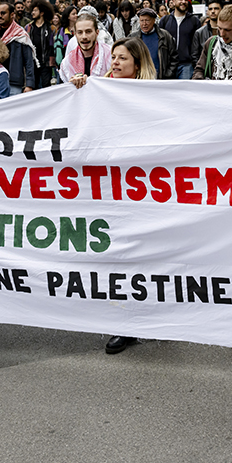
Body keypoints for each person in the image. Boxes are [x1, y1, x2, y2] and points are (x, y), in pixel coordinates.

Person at [72, 36, 155, 354]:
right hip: (109, 186)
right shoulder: (97, 90)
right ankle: (126, 320)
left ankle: (135, 320)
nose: (116, 62)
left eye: (123, 58)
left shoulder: (152, 95)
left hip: (142, 186)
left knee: (138, 253)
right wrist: (79, 87)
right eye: (114, 57)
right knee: (115, 252)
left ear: (137, 64)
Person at [193, 4, 232, 80]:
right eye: (219, 28)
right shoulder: (212, 43)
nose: (222, 34)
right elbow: (199, 70)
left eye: (227, 30)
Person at [0, 2, 36, 94]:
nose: (0, 16)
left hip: (13, 83)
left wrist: (29, 85)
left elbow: (28, 61)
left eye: (3, 13)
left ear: (12, 15)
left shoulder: (20, 34)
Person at [60, 10, 112, 86]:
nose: (84, 37)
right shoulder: (67, 62)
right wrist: (70, 84)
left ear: (97, 33)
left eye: (88, 31)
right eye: (80, 32)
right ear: (75, 35)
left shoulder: (110, 55)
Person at [159, 0, 201, 80]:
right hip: (168, 65)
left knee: (184, 92)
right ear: (174, 2)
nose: (183, 2)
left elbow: (197, 44)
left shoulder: (194, 21)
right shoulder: (165, 20)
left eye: (185, 0)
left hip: (187, 64)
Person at [129, 8, 175, 79]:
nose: (144, 24)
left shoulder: (165, 36)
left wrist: (168, 73)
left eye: (147, 20)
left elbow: (174, 57)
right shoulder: (133, 38)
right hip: (140, 78)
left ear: (154, 21)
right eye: (142, 21)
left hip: (160, 78)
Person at [26, 0, 56, 89]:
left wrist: (52, 64)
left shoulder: (51, 28)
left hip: (46, 64)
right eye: (32, 11)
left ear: (42, 12)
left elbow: (53, 47)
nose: (32, 13)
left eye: (35, 10)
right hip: (33, 63)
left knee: (46, 88)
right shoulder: (28, 28)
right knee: (33, 87)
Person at [191, 0, 224, 67]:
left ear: (222, 11)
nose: (213, 11)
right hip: (206, 71)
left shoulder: (227, 30)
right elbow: (195, 56)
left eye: (216, 8)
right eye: (210, 9)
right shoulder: (199, 32)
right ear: (207, 11)